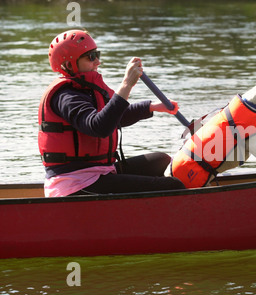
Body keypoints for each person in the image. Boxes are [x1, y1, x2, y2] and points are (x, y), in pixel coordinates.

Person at [38, 29, 185, 197]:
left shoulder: (88, 89)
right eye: (90, 56)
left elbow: (114, 117)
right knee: (173, 186)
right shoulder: (65, 97)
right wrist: (126, 84)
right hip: (75, 183)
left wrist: (151, 107)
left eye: (96, 54)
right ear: (70, 64)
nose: (97, 61)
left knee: (162, 161)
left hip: (99, 171)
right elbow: (100, 127)